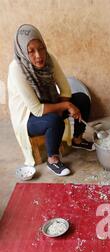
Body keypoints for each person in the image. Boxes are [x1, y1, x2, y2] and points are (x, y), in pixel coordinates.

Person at [7, 24, 94, 176]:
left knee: (82, 99)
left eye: (40, 48)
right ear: (22, 51)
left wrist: (65, 105)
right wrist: (65, 105)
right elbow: (36, 109)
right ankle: (52, 159)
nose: (39, 55)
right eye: (31, 51)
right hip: (28, 117)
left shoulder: (49, 58)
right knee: (53, 120)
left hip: (49, 104)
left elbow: (65, 88)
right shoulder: (17, 69)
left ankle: (78, 140)